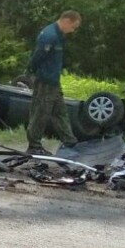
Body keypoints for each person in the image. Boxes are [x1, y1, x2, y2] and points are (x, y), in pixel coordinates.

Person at [25, 10, 82, 155]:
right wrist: (31, 72)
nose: (72, 30)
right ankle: (34, 145)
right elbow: (38, 57)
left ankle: (70, 141)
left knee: (60, 112)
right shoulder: (50, 35)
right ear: (66, 21)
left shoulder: (58, 36)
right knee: (41, 112)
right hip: (45, 80)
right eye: (73, 27)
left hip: (53, 80)